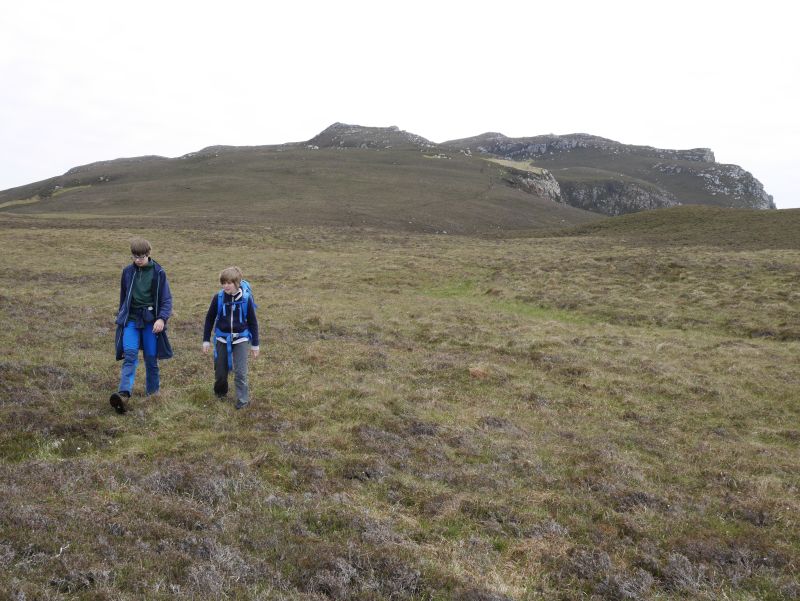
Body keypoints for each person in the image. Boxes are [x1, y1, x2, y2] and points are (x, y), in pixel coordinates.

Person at [110, 237, 173, 414]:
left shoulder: (159, 272)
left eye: (142, 256)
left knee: (151, 360)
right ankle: (123, 395)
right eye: (135, 256)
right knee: (129, 355)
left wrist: (161, 319)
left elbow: (167, 300)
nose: (138, 260)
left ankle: (153, 395)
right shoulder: (127, 272)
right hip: (131, 319)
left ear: (148, 254)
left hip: (150, 321)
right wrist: (122, 315)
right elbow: (124, 298)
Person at [202, 266, 260, 409]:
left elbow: (253, 322)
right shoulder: (219, 298)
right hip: (222, 338)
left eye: (229, 283)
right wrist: (206, 340)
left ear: (237, 283)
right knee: (220, 372)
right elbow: (209, 318)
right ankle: (220, 394)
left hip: (241, 339)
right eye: (223, 282)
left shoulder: (246, 299)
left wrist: (255, 345)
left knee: (241, 372)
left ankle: (242, 402)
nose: (225, 286)